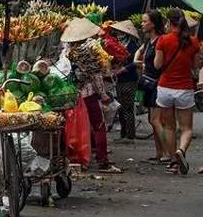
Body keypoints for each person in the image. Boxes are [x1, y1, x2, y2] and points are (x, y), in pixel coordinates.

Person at [62, 17, 122, 173]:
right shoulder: (89, 51)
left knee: (77, 128)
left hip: (72, 94)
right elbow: (96, 77)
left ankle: (77, 158)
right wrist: (103, 95)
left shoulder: (67, 51)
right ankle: (103, 161)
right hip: (88, 94)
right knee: (99, 126)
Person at [154, 8, 201, 175]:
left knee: (169, 127)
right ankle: (181, 150)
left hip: (165, 88)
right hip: (184, 89)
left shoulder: (162, 40)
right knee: (186, 128)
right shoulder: (194, 41)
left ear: (169, 22)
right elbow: (196, 66)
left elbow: (157, 65)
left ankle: (173, 162)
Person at [134, 10, 170, 164]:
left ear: (153, 23)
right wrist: (137, 61)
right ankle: (159, 152)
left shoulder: (161, 40)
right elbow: (139, 52)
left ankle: (169, 152)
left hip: (157, 84)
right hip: (148, 83)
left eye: (144, 21)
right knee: (153, 120)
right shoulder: (149, 42)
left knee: (156, 121)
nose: (142, 24)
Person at [109, 20, 140, 144]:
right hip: (119, 80)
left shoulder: (132, 45)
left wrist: (123, 69)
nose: (118, 33)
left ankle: (130, 135)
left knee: (127, 107)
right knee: (121, 108)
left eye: (120, 32)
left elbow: (135, 63)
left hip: (129, 79)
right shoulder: (117, 44)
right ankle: (123, 133)